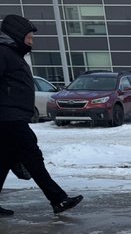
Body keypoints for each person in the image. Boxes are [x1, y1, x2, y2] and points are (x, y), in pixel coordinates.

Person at [0, 13, 82, 217]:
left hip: (12, 117)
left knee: (3, 160)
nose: (31, 41)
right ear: (17, 35)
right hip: (8, 118)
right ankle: (58, 199)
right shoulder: (2, 53)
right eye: (29, 37)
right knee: (33, 157)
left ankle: (58, 199)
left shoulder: (12, 54)